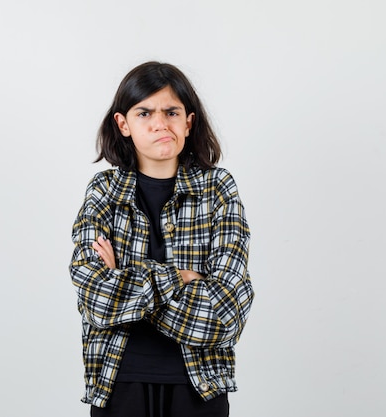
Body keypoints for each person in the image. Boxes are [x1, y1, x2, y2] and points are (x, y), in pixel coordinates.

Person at [69, 61, 254, 417]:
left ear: (188, 121)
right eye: (144, 113)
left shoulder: (218, 189)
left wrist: (125, 282)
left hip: (199, 385)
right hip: (118, 383)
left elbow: (227, 313)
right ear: (123, 124)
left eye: (171, 111)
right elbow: (97, 301)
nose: (160, 123)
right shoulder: (103, 191)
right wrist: (183, 277)